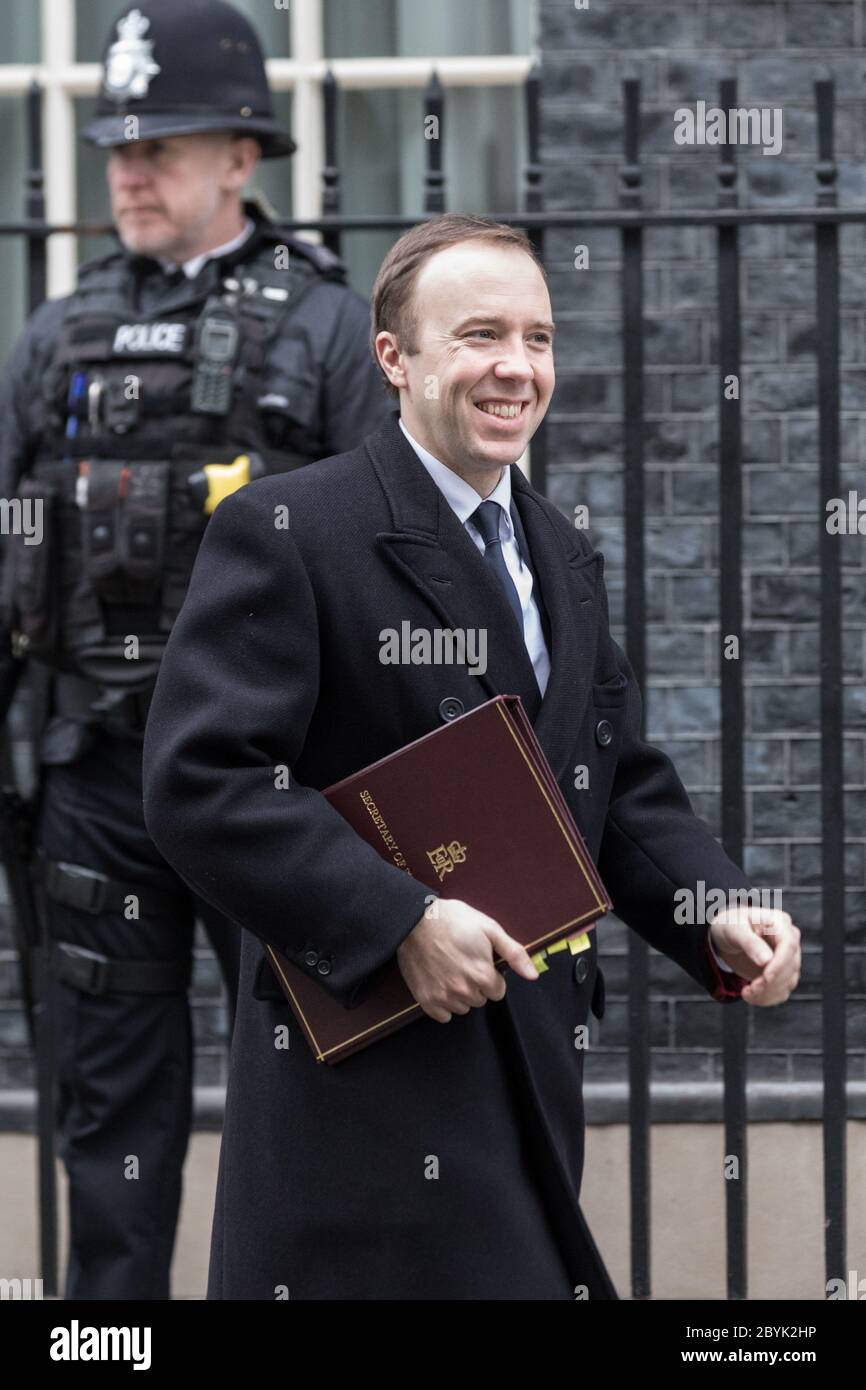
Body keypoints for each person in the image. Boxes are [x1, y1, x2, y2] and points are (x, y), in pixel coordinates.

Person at [141, 213, 801, 1301]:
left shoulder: (559, 547)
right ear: (393, 359)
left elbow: (609, 777)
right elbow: (201, 785)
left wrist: (712, 907)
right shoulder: (287, 529)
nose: (515, 367)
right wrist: (398, 917)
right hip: (363, 1090)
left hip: (528, 1063)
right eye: (480, 335)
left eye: (537, 338)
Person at [0, 0, 390, 1301]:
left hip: (265, 787)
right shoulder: (55, 333)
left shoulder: (327, 327)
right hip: (98, 777)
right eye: (118, 140)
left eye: (159, 141)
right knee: (106, 1110)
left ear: (241, 154)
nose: (127, 167)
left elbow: (388, 558)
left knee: (309, 1097)